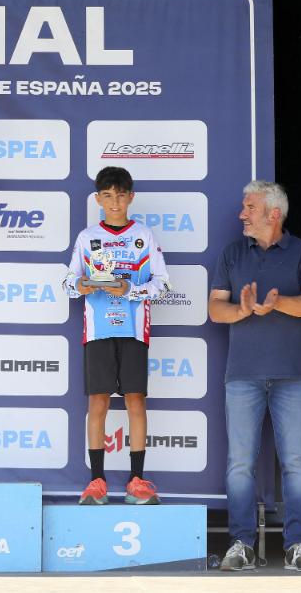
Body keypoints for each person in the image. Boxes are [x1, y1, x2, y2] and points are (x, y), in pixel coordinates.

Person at [208, 180, 301, 572]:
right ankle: (241, 544)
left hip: (293, 376)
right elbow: (215, 310)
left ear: (274, 214)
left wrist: (278, 303)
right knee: (239, 464)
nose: (242, 214)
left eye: (250, 207)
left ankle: (297, 546)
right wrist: (243, 310)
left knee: (296, 463)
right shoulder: (232, 253)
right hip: (242, 376)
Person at [63, 166, 169, 506]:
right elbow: (68, 283)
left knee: (136, 401)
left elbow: (163, 284)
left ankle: (137, 481)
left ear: (131, 197)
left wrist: (130, 289)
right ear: (98, 199)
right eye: (107, 196)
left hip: (134, 329)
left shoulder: (144, 236)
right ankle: (97, 481)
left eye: (121, 196)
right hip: (98, 331)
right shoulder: (87, 237)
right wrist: (83, 284)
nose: (114, 202)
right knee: (98, 402)